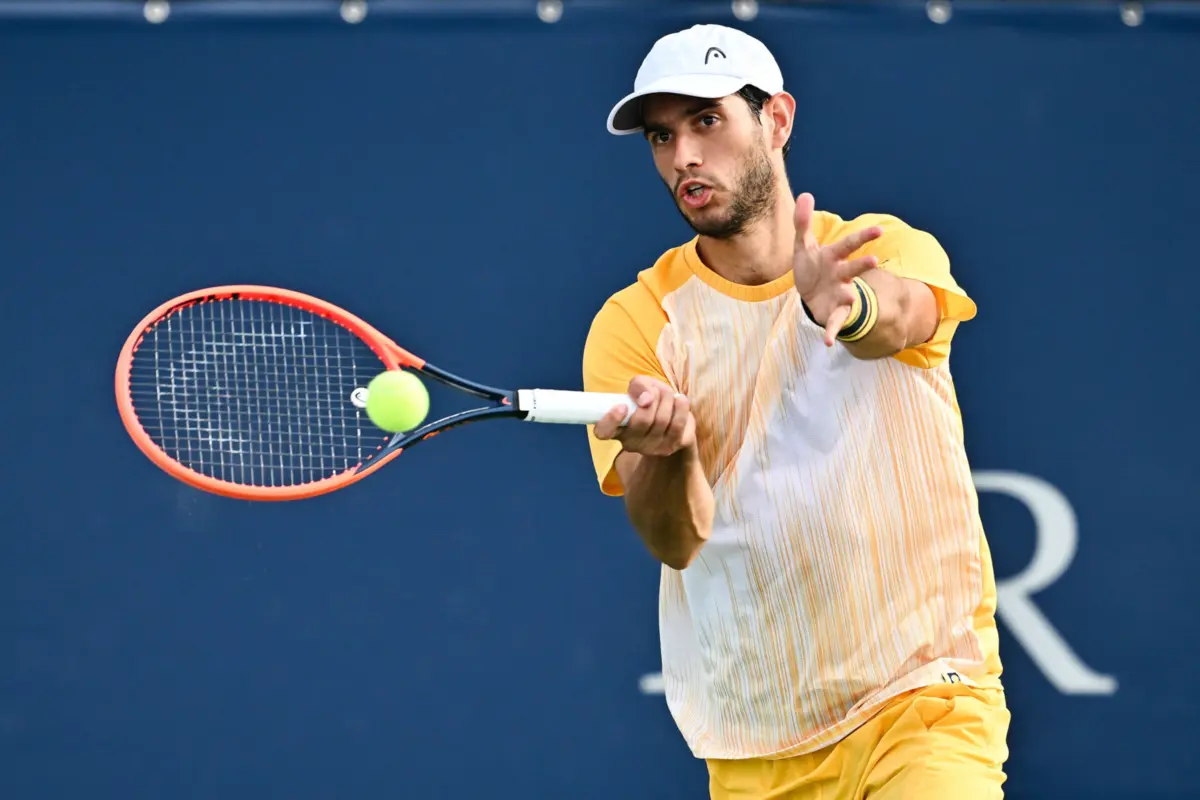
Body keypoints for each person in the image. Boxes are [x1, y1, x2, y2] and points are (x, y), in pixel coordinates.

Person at [581, 23, 1010, 800]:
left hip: (922, 700)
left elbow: (902, 318)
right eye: (661, 135)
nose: (683, 157)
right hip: (756, 743)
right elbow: (673, 542)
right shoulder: (636, 323)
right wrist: (670, 455)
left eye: (706, 121)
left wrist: (843, 309)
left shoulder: (879, 245)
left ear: (776, 119)